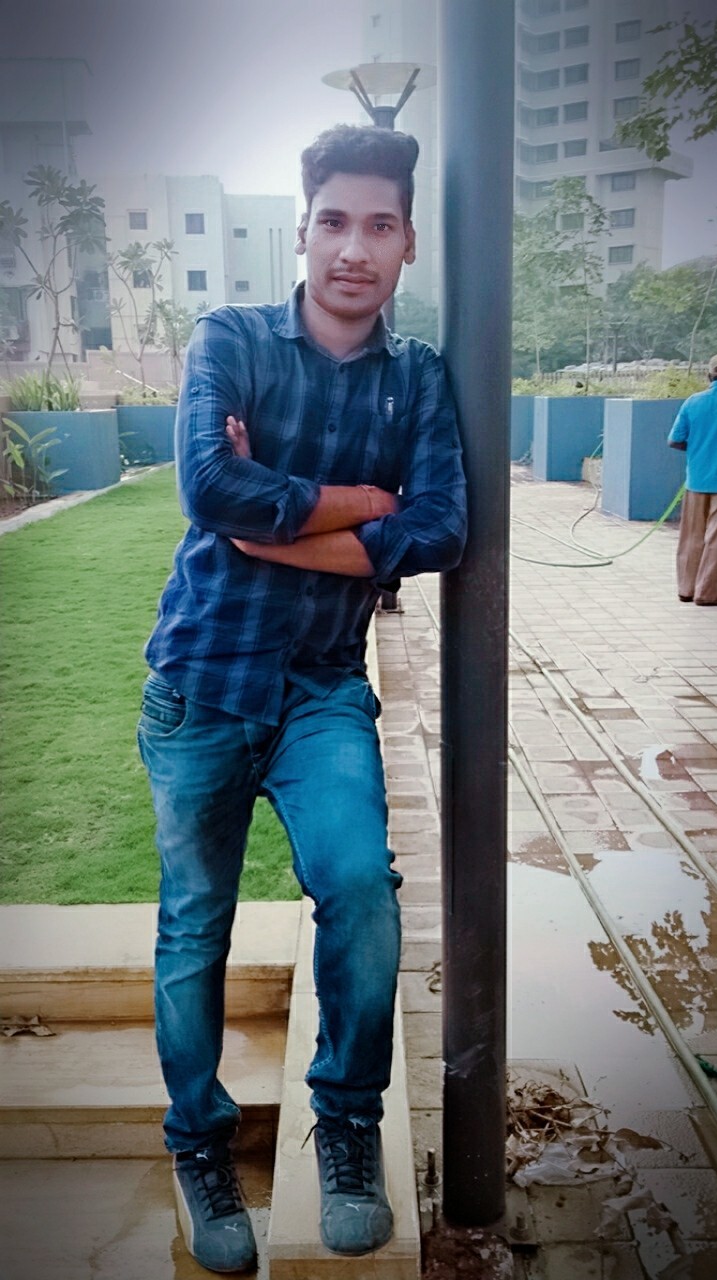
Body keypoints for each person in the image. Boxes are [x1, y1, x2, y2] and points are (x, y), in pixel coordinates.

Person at [138, 123, 467, 1274]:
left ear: (409, 240)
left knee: (362, 890)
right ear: (303, 230)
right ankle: (199, 1143)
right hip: (203, 684)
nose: (353, 249)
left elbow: (440, 527)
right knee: (195, 926)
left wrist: (268, 521)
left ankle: (348, 1124)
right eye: (335, 221)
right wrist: (362, 504)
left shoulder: (417, 378)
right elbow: (207, 485)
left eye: (380, 224)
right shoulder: (230, 338)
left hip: (323, 686)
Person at [668, 353, 717, 606]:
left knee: (691, 536)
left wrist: (697, 449)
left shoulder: (693, 402)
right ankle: (707, 593)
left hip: (696, 480)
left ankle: (686, 589)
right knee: (716, 538)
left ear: (709, 375)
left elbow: (674, 440)